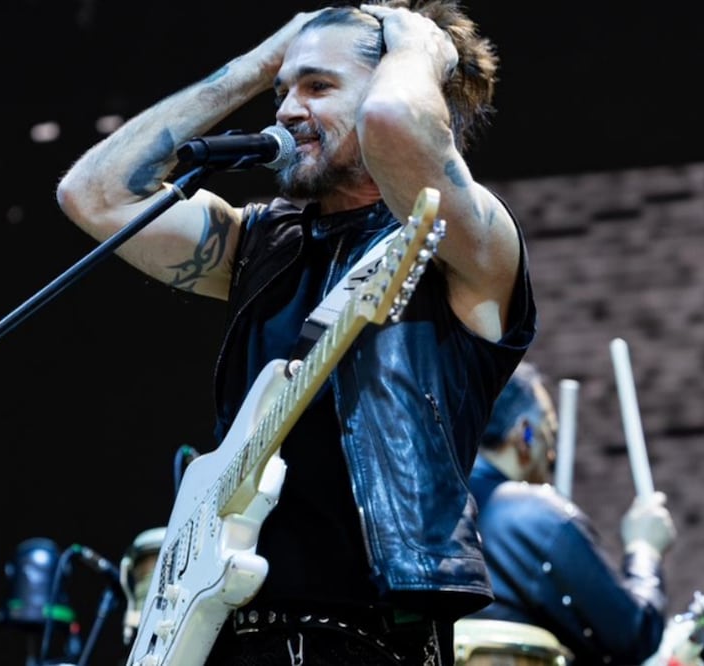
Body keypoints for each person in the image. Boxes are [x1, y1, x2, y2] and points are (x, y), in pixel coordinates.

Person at [56, 1, 536, 663]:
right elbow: (96, 195)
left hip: (368, 637)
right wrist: (259, 64)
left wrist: (418, 46)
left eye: (317, 87)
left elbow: (392, 122)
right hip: (227, 628)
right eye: (283, 89)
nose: (283, 109)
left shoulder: (464, 241)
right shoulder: (261, 243)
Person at [468, 362, 678, 665]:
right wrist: (644, 549)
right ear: (524, 435)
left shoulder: (422, 505)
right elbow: (632, 635)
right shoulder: (535, 515)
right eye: (548, 437)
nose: (551, 457)